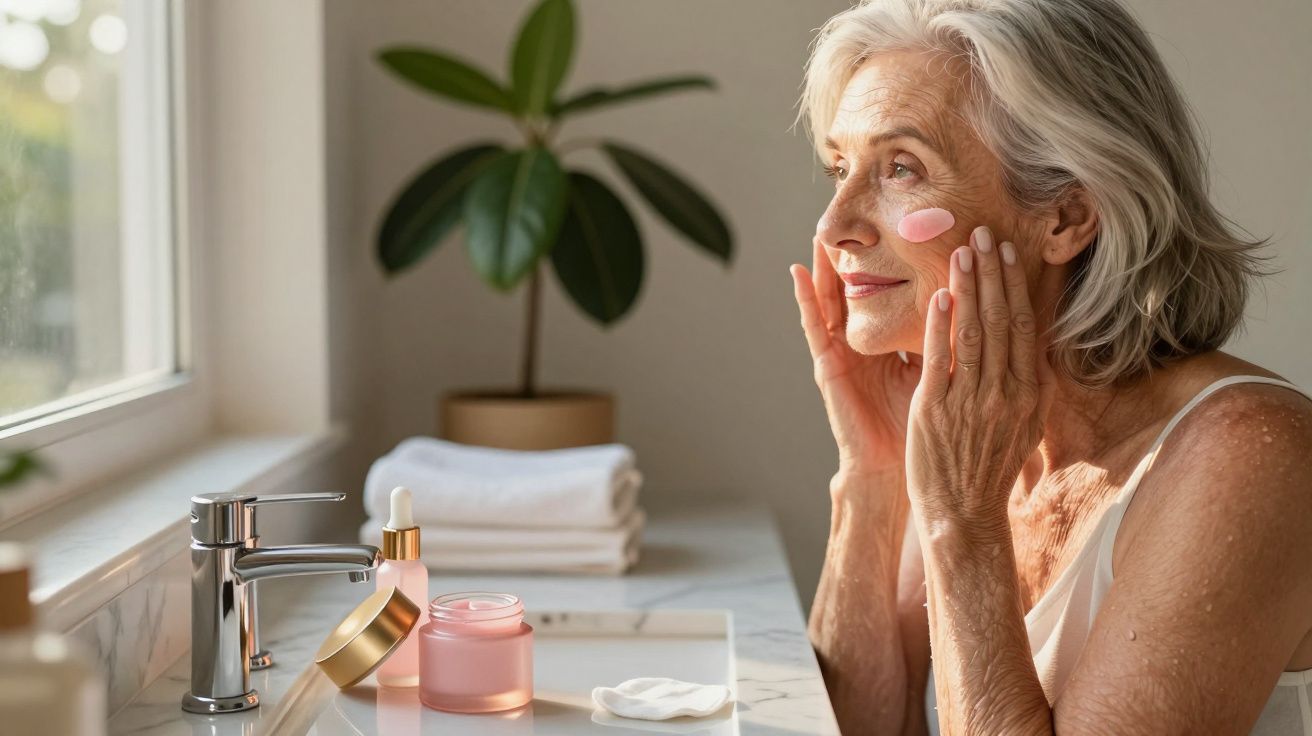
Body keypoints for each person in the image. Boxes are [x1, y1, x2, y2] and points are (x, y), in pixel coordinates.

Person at [789, 0, 1312, 733]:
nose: (833, 224)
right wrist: (874, 473)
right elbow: (856, 727)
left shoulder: (1249, 457)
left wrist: (962, 529)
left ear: (1064, 218)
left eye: (900, 168)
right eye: (842, 166)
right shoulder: (976, 428)